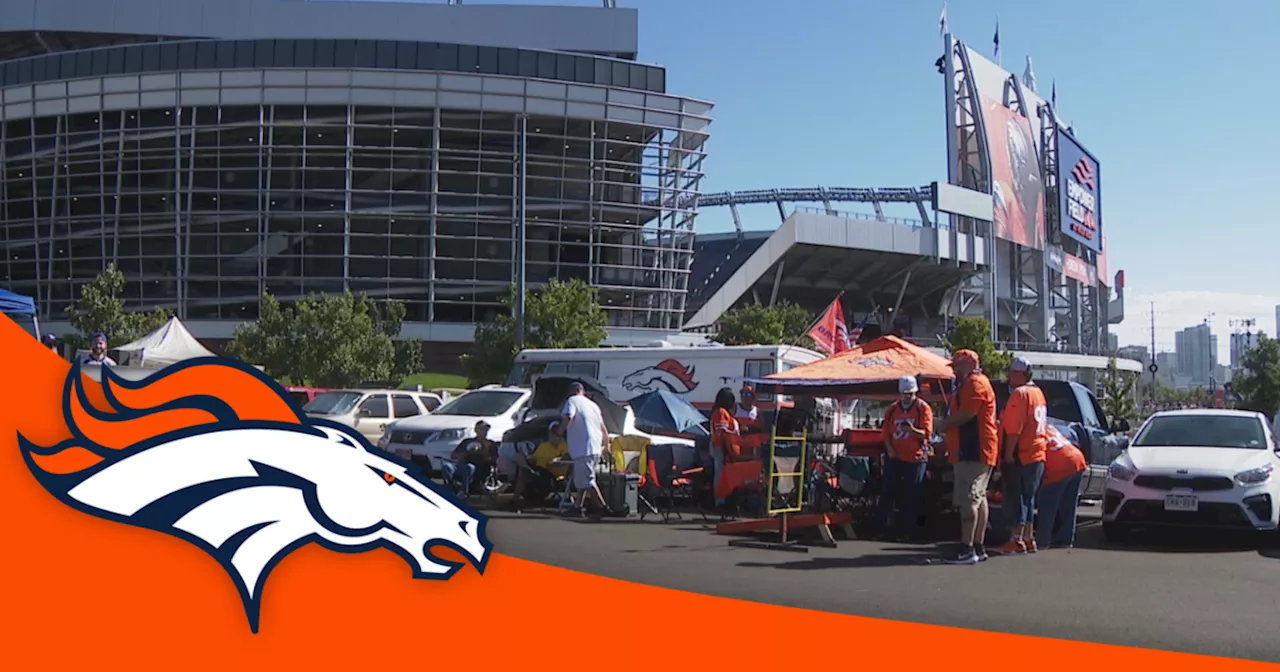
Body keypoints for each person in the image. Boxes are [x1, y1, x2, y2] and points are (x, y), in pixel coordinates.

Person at [933, 349, 999, 565]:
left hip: (973, 449)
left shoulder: (975, 383)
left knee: (969, 498)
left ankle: (967, 548)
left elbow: (967, 415)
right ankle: (977, 547)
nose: (955, 372)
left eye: (957, 367)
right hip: (977, 449)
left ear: (968, 365)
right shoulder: (975, 382)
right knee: (979, 498)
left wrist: (942, 425)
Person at [994, 357, 1049, 555]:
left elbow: (1014, 430)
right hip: (1038, 452)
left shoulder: (1020, 394)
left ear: (1019, 374)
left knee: (1015, 498)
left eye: (1011, 372)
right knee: (1029, 498)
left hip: (1022, 455)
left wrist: (1008, 454)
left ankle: (1015, 539)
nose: (1008, 376)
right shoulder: (1038, 393)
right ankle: (1028, 537)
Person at [874, 376, 935, 541]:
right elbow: (885, 433)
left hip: (916, 458)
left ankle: (906, 531)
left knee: (911, 495)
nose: (907, 397)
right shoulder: (892, 410)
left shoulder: (923, 408)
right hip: (895, 457)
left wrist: (913, 430)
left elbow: (927, 433)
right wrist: (890, 449)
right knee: (888, 491)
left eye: (910, 394)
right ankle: (881, 528)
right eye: (904, 394)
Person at [560, 382, 610, 517]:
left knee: (587, 480)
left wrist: (560, 431)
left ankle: (603, 507)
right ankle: (577, 507)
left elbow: (568, 416)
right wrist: (607, 446)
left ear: (572, 392)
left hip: (583, 447)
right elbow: (603, 427)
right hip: (595, 446)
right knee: (583, 479)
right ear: (583, 391)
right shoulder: (593, 405)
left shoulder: (572, 401)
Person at [1036, 424, 1087, 550]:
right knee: (1069, 504)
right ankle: (1066, 539)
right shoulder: (1047, 426)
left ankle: (1042, 541)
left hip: (1059, 465)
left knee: (1047, 505)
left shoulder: (1032, 431)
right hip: (1077, 458)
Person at [511, 421, 570, 513]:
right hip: (539, 470)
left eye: (556, 433)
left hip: (552, 475)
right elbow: (534, 459)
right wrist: (529, 458)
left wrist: (558, 459)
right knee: (520, 458)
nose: (554, 435)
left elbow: (567, 457)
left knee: (524, 473)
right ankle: (527, 469)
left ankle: (515, 499)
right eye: (552, 433)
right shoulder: (544, 446)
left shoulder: (563, 446)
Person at [440, 420, 497, 498]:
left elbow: (494, 459)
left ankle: (463, 492)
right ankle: (449, 491)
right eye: (481, 429)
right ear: (476, 430)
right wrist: (463, 454)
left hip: (479, 468)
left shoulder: (490, 444)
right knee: (446, 466)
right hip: (462, 465)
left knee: (469, 467)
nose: (484, 431)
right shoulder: (467, 441)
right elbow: (453, 455)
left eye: (486, 430)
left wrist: (482, 455)